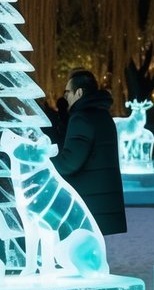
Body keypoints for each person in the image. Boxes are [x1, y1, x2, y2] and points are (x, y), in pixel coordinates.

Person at [52, 68, 127, 237]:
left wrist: (44, 160)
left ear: (79, 92)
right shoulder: (103, 115)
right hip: (102, 203)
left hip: (87, 204)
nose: (66, 98)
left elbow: (69, 163)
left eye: (67, 92)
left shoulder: (81, 117)